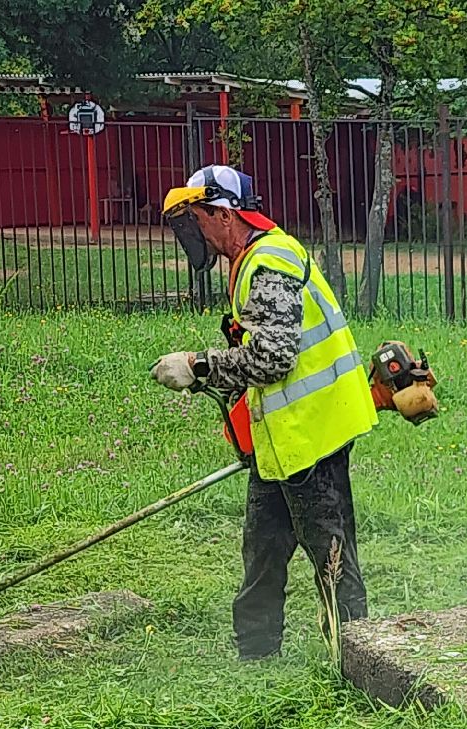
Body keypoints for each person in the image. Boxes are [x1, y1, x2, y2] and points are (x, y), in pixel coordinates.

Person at [150, 165, 376, 661]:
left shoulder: (269, 261)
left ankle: (361, 661)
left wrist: (199, 366)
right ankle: (256, 654)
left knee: (330, 555)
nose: (193, 231)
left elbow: (273, 358)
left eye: (195, 218)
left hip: (310, 434)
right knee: (264, 548)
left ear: (221, 214)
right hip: (280, 439)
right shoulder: (252, 256)